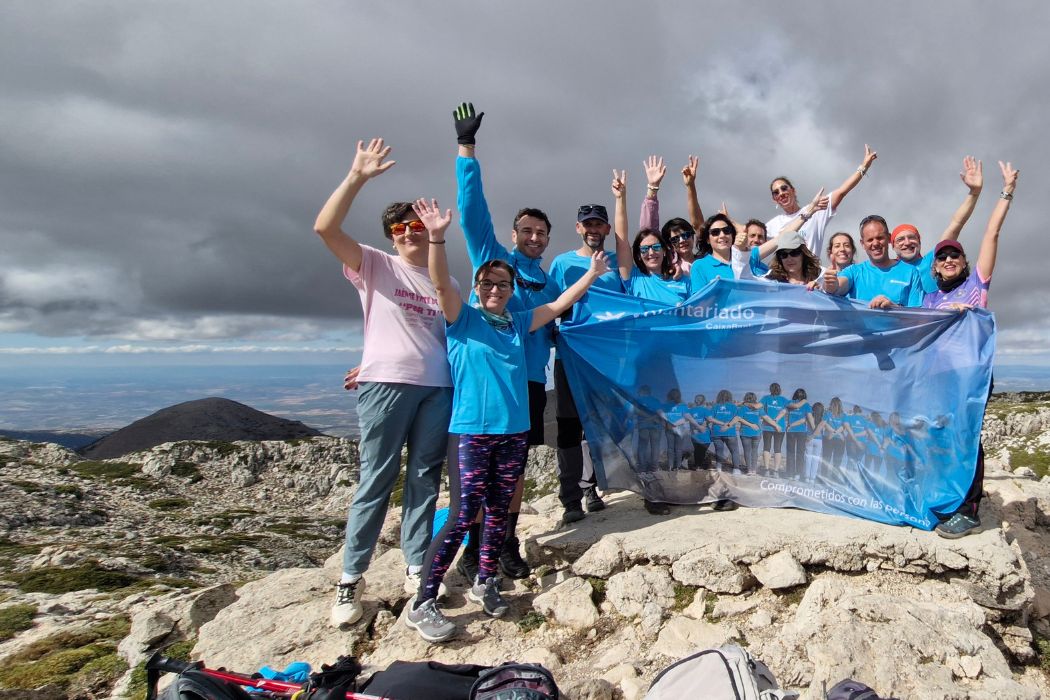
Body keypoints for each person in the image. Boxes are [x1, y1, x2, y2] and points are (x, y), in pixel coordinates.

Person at [406, 198, 610, 642]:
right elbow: (441, 284)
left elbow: (556, 306)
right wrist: (438, 237)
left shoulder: (518, 323)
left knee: (499, 513)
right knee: (463, 515)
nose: (496, 290)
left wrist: (592, 276)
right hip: (472, 434)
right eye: (489, 283)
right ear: (478, 286)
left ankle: (486, 581)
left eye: (502, 284)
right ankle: (422, 599)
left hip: (513, 434)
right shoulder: (462, 319)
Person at [314, 139, 454, 629]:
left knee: (423, 479)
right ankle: (351, 579)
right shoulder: (374, 263)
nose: (411, 233)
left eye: (418, 226)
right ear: (391, 236)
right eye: (402, 228)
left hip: (439, 387)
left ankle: (417, 566)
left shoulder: (446, 282)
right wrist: (356, 177)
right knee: (375, 480)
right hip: (387, 385)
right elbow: (325, 228)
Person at [451, 102, 555, 581]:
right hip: (487, 386)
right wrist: (466, 150)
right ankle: (474, 550)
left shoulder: (548, 281)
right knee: (477, 478)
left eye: (541, 233)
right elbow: (473, 214)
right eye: (527, 231)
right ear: (515, 234)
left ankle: (505, 541)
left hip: (531, 383)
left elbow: (562, 322)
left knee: (512, 474)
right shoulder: (496, 261)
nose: (534, 238)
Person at [925, 160, 1018, 539]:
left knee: (966, 438)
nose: (949, 259)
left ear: (964, 263)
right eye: (943, 257)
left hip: (972, 377)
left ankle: (969, 509)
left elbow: (992, 233)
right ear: (936, 266)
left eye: (955, 256)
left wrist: (1005, 190)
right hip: (939, 379)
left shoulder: (976, 286)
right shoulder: (929, 298)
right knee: (941, 437)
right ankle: (946, 500)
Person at [548, 198, 624, 525]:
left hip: (604, 359)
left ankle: (591, 487)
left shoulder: (617, 265)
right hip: (570, 356)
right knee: (568, 426)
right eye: (588, 224)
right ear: (579, 228)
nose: (593, 229)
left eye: (599, 224)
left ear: (607, 229)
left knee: (597, 427)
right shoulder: (562, 264)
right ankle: (571, 498)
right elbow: (550, 304)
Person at [891, 156, 984, 294]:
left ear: (919, 241)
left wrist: (974, 193)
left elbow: (956, 224)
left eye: (912, 237)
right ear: (892, 246)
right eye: (900, 239)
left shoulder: (935, 260)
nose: (907, 242)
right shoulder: (886, 271)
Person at [766, 145, 877, 257]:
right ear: (774, 199)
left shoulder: (816, 209)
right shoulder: (773, 225)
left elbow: (842, 191)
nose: (781, 193)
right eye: (776, 192)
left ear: (793, 190)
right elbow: (752, 240)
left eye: (784, 188)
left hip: (811, 273)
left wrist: (864, 166)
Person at [612, 168, 691, 303]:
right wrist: (620, 198)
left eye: (655, 247)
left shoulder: (683, 280)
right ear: (638, 255)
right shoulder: (633, 278)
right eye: (644, 249)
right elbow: (621, 241)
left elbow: (698, 314)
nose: (650, 252)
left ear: (665, 250)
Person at [826, 214, 924, 308]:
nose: (875, 243)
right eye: (870, 240)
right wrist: (831, 285)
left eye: (880, 238)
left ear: (889, 238)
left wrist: (894, 308)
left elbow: (917, 317)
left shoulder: (911, 272)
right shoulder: (854, 271)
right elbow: (838, 287)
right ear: (862, 244)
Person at [639, 155, 706, 274]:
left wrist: (690, 185)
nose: (681, 241)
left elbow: (698, 225)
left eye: (685, 235)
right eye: (675, 239)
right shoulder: (668, 266)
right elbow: (648, 231)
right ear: (668, 244)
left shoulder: (705, 261)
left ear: (693, 236)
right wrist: (652, 188)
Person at [785, 389, 814, 480]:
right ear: (804, 396)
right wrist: (815, 431)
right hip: (801, 431)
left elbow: (786, 410)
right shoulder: (806, 405)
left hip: (791, 430)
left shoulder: (790, 403)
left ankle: (790, 474)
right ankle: (798, 474)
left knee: (790, 453)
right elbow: (809, 418)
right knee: (800, 453)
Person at [760, 383, 789, 474]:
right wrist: (777, 419)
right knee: (778, 449)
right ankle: (776, 471)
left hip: (767, 426)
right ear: (779, 390)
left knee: (766, 447)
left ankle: (766, 470)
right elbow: (786, 410)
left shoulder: (765, 398)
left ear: (770, 389)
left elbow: (760, 409)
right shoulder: (784, 400)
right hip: (780, 427)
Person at [737, 392, 763, 474]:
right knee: (755, 451)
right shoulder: (758, 408)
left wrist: (749, 425)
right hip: (757, 432)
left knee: (747, 451)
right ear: (755, 398)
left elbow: (739, 419)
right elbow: (765, 417)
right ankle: (754, 470)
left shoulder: (742, 408)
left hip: (745, 432)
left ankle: (749, 470)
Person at [686, 394, 712, 469]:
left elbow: (686, 420)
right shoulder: (706, 410)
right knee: (702, 451)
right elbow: (710, 419)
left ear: (695, 401)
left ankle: (697, 465)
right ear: (704, 401)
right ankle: (699, 465)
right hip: (705, 435)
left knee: (697, 451)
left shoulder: (690, 410)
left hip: (694, 435)